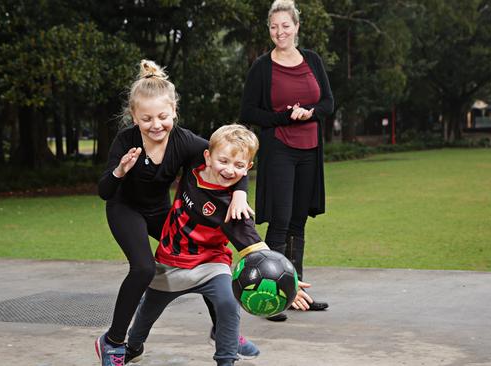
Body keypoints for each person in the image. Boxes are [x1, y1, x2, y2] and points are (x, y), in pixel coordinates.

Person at [95, 60, 257, 366]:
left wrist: (239, 192)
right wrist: (119, 170)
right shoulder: (125, 141)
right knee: (143, 269)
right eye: (147, 119)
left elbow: (230, 155)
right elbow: (105, 190)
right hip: (124, 208)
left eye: (163, 116)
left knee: (208, 252)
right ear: (134, 117)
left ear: (174, 112)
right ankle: (113, 341)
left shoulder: (184, 141)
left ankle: (224, 330)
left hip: (160, 211)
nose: (156, 125)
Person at [123, 124, 314, 366]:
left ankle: (226, 359)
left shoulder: (234, 210)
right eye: (223, 161)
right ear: (207, 157)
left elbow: (257, 248)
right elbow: (175, 136)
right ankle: (133, 346)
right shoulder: (193, 164)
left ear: (248, 169)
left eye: (239, 166)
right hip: (171, 261)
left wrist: (287, 283)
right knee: (146, 313)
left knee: (227, 303)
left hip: (211, 264)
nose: (229, 169)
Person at [239, 0, 334, 322]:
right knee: (279, 222)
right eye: (274, 27)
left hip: (309, 149)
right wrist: (282, 117)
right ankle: (273, 297)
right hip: (279, 147)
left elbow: (328, 102)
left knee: (298, 222)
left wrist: (311, 112)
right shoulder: (262, 67)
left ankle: (297, 293)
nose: (280, 32)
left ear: (296, 27)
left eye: (285, 25)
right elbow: (248, 113)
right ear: (270, 30)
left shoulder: (313, 60)